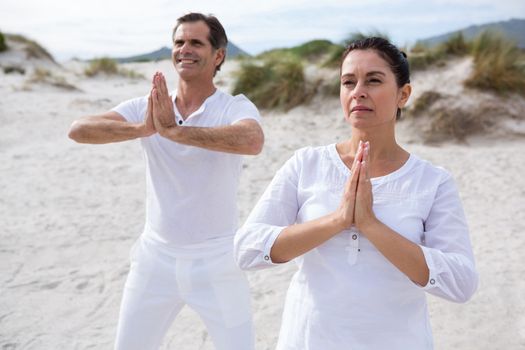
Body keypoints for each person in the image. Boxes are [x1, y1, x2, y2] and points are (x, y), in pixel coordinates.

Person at [234, 37, 478, 349]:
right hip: (309, 340)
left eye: (373, 80)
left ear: (403, 94)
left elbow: (461, 283)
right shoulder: (306, 164)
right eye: (348, 82)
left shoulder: (433, 181)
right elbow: (246, 250)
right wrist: (336, 220)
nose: (358, 91)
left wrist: (371, 225)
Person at [68, 12, 264, 350]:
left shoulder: (233, 107)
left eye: (196, 43)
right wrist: (141, 129)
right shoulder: (149, 108)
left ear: (218, 55)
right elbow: (78, 129)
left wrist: (175, 132)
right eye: (179, 42)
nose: (185, 49)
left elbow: (252, 140)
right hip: (154, 259)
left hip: (217, 261)